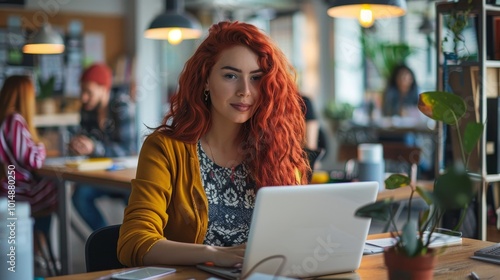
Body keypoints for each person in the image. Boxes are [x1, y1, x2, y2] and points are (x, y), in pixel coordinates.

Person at [117, 21, 310, 268]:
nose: (245, 91)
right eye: (231, 75)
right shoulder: (165, 149)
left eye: (256, 78)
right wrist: (214, 253)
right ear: (205, 80)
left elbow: (297, 234)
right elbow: (134, 242)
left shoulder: (277, 152)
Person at [69, 63, 136, 231]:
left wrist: (94, 148)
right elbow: (87, 140)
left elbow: (127, 150)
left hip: (125, 178)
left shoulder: (122, 107)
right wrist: (78, 145)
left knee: (136, 201)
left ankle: (130, 246)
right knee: (79, 196)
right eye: (82, 91)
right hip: (100, 176)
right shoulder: (87, 109)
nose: (83, 98)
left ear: (103, 89)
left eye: (88, 92)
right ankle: (105, 241)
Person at [0, 75, 57, 237]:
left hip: (9, 188)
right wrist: (41, 146)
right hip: (16, 190)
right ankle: (42, 245)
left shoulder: (5, 119)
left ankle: (40, 248)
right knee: (59, 187)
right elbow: (33, 160)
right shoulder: (14, 120)